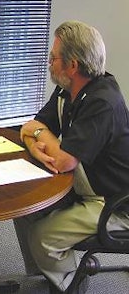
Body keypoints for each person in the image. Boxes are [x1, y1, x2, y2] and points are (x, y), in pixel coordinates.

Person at [15, 20, 129, 293]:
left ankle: (71, 284)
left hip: (114, 202)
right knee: (22, 203)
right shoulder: (67, 88)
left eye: (53, 58)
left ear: (73, 65)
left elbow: (64, 159)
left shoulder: (102, 101)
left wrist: (39, 134)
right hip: (86, 184)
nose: (49, 63)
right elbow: (30, 128)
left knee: (41, 236)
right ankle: (51, 269)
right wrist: (36, 143)